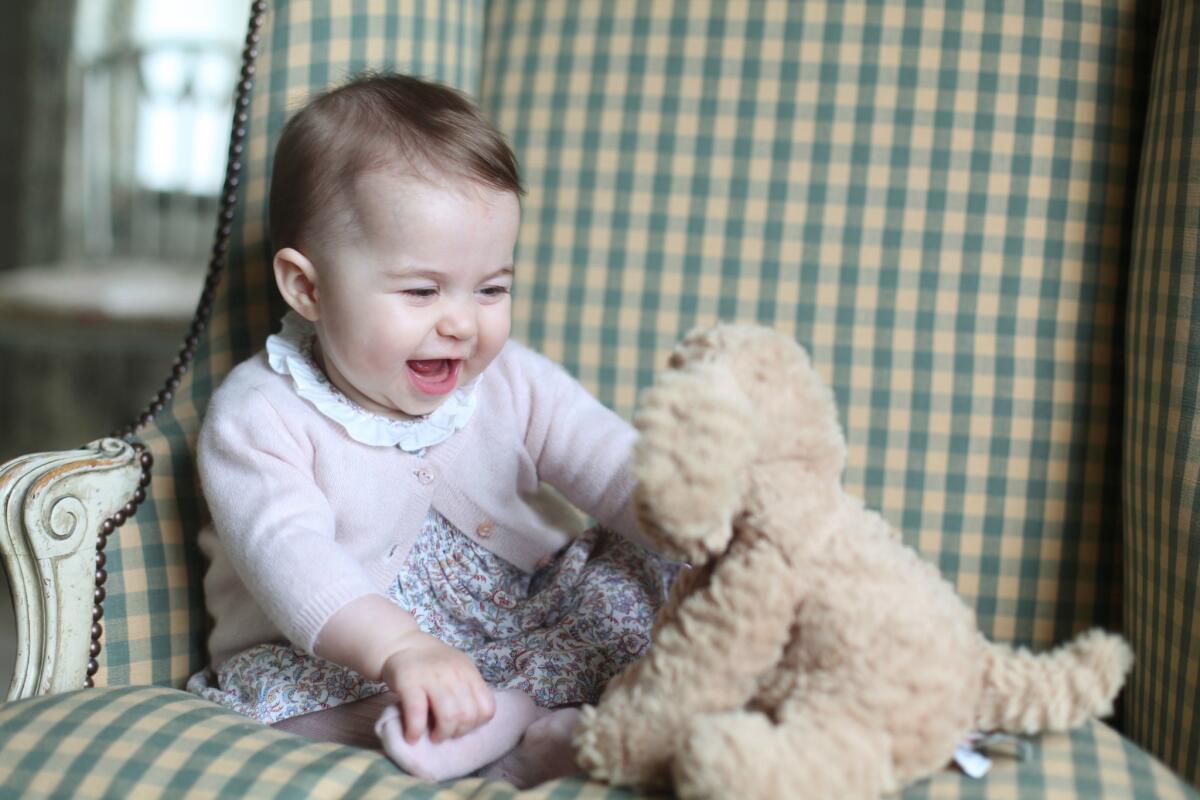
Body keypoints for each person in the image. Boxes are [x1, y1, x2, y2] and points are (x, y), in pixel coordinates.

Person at [185, 72, 673, 787]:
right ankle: (493, 733)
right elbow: (290, 556)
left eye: (492, 288)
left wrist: (692, 518)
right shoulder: (258, 417)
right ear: (309, 288)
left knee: (639, 583)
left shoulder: (512, 382)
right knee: (283, 708)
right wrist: (402, 649)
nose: (461, 321)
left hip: (526, 610)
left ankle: (528, 717)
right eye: (422, 290)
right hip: (352, 648)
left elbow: (608, 460)